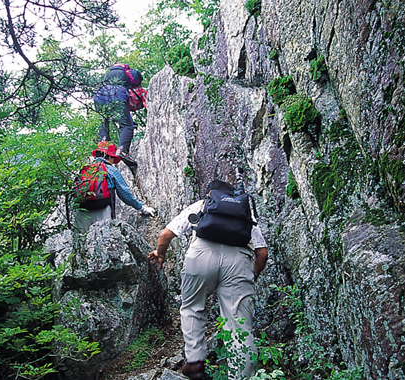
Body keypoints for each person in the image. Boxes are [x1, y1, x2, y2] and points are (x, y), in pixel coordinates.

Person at [148, 180, 268, 380]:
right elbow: (262, 253)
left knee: (192, 308)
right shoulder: (245, 213)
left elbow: (165, 234)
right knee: (238, 322)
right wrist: (249, 276)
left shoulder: (203, 205)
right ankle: (242, 376)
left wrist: (160, 254)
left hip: (200, 254)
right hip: (238, 260)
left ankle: (195, 364)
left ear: (211, 194)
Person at [75, 141, 155, 233]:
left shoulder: (85, 169)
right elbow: (125, 194)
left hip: (81, 213)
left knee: (81, 242)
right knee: (104, 242)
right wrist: (142, 208)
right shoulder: (112, 170)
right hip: (103, 210)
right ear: (109, 156)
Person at [93, 64, 144, 167]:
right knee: (127, 126)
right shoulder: (129, 74)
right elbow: (137, 82)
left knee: (103, 123)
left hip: (99, 95)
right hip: (117, 94)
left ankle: (103, 147)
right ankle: (122, 150)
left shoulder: (108, 76)